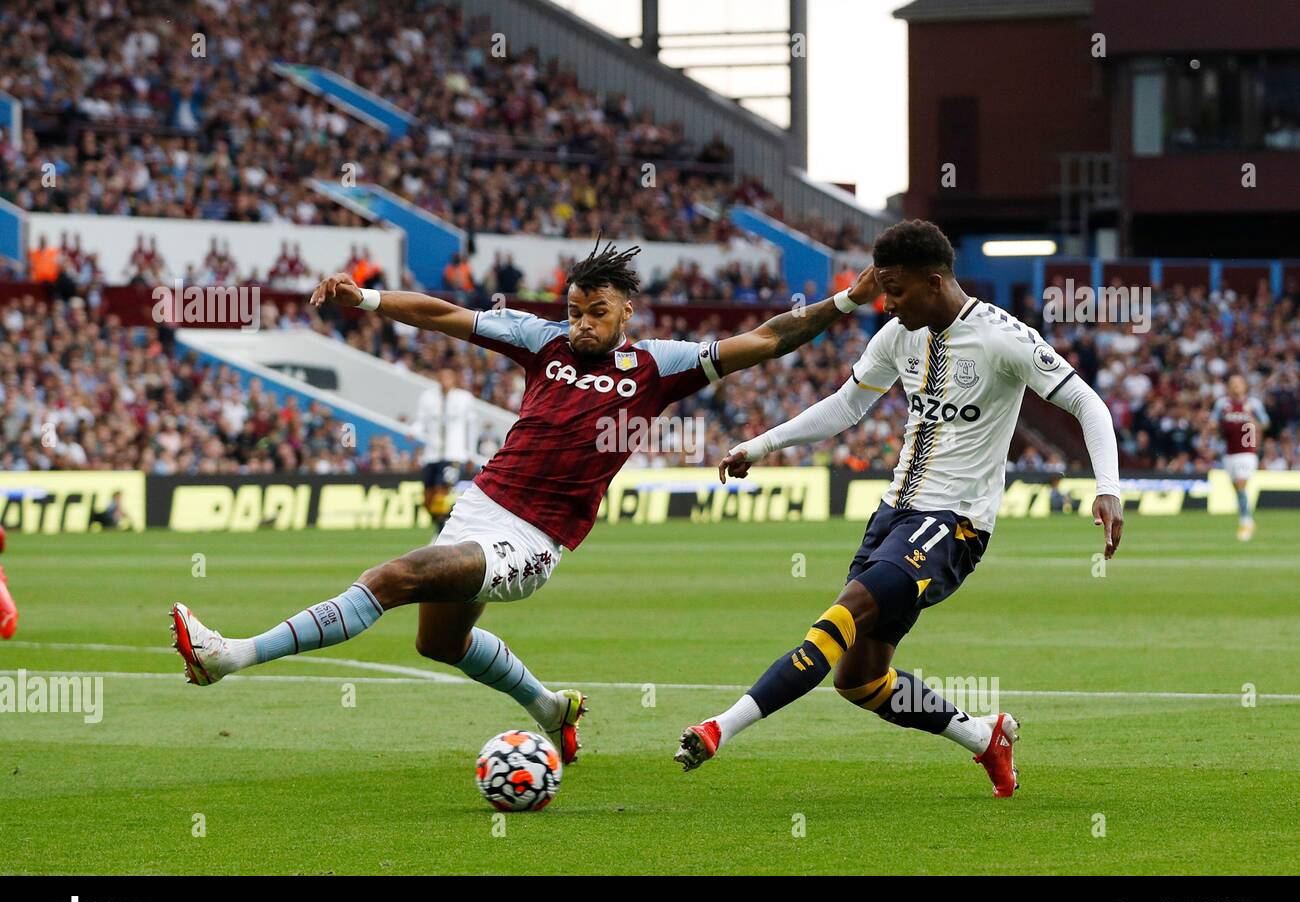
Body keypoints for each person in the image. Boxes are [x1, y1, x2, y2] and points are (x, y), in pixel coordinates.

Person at [169, 238, 880, 765]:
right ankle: (551, 708)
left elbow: (769, 337)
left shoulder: (659, 365)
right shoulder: (542, 341)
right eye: (573, 311)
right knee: (437, 641)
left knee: (395, 578)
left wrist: (846, 300)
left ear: (626, 310)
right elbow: (447, 315)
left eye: (596, 312)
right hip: (481, 506)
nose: (580, 324)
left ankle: (228, 656)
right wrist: (371, 300)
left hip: (535, 541)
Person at [674, 219, 1124, 798]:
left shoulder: (1003, 338)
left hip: (954, 525)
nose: (887, 301)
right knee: (859, 680)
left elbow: (1088, 403)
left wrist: (1107, 487)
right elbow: (844, 408)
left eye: (898, 290)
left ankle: (720, 728)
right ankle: (985, 737)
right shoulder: (897, 335)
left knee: (842, 614)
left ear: (935, 282)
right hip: (892, 516)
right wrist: (761, 445)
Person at [415, 367, 476, 530]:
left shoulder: (464, 398)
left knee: (441, 492)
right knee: (427, 499)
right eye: (441, 376)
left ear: (454, 379)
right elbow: (421, 421)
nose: (444, 380)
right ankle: (442, 524)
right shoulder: (428, 397)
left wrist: (470, 453)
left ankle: (441, 531)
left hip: (454, 455)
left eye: (448, 377)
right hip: (432, 454)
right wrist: (413, 431)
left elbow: (471, 427)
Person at [1211, 374, 1269, 541]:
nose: (1236, 386)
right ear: (1229, 387)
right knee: (1237, 489)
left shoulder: (1253, 404)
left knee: (1241, 485)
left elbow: (1265, 422)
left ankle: (1246, 522)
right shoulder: (1222, 404)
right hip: (1229, 453)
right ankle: (1246, 517)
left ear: (1244, 386)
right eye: (1232, 383)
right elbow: (1214, 422)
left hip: (1247, 451)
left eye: (1238, 383)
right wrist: (1213, 427)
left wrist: (1254, 422)